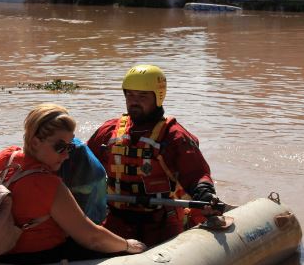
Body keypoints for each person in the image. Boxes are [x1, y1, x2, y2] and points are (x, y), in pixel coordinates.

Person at [0, 103, 146, 265]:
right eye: (60, 147)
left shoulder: (5, 157)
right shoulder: (49, 185)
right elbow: (92, 238)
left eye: (69, 147)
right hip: (37, 258)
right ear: (34, 143)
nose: (67, 155)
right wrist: (127, 245)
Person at [87, 64, 224, 247]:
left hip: (161, 222)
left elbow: (197, 174)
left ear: (158, 97)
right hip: (116, 219)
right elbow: (83, 163)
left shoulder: (174, 136)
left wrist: (206, 195)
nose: (134, 101)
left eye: (142, 96)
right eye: (130, 95)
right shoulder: (109, 131)